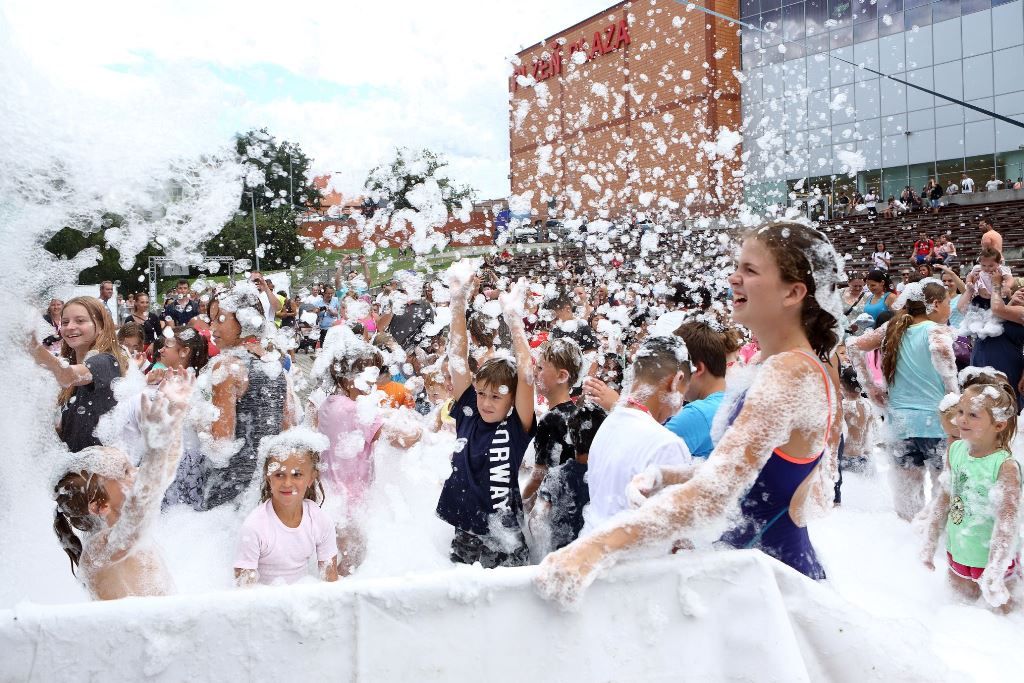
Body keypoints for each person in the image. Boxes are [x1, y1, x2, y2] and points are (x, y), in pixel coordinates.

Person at [535, 223, 842, 605]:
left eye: (750, 270)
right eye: (737, 267)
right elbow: (748, 474)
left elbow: (716, 495)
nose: (733, 278)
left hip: (774, 584)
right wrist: (668, 475)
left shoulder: (789, 372)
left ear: (793, 292)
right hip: (754, 573)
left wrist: (596, 547)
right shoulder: (777, 366)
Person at [52, 370, 194, 600]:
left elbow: (165, 469)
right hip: (133, 624)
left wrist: (175, 415)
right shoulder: (98, 552)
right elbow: (137, 513)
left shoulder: (131, 525)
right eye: (125, 472)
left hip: (162, 617)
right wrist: (154, 451)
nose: (137, 472)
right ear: (100, 506)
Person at [436, 271, 536, 569]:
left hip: (504, 533)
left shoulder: (516, 426)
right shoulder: (468, 411)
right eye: (481, 393)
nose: (486, 403)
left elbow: (526, 375)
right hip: (466, 529)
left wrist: (514, 321)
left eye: (496, 397)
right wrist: (458, 304)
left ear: (511, 400)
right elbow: (457, 358)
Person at [313, 328, 422, 575]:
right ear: (347, 377)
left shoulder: (330, 403)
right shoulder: (355, 410)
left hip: (331, 494)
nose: (374, 380)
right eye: (369, 373)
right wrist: (421, 432)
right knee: (353, 561)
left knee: (336, 557)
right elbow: (401, 440)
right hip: (352, 501)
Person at [850, 280, 957, 522]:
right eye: (948, 303)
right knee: (943, 493)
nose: (949, 309)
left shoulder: (893, 327)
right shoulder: (935, 330)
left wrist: (870, 387)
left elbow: (853, 346)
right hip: (936, 423)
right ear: (935, 304)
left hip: (900, 425)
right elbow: (943, 356)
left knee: (907, 501)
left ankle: (909, 539)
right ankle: (933, 540)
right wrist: (954, 399)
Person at [921, 382, 1021, 609]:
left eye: (972, 414)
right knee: (957, 609)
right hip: (958, 551)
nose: (961, 419)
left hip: (993, 562)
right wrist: (930, 540)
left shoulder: (1005, 466)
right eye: (960, 411)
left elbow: (1007, 523)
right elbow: (944, 498)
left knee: (1000, 615)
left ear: (998, 425)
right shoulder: (956, 450)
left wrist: (995, 570)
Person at [584, 335, 694, 529]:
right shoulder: (666, 445)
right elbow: (672, 533)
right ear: (676, 381)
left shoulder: (610, 422)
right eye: (683, 395)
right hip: (634, 549)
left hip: (593, 541)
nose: (680, 407)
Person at [203, 283, 296, 509]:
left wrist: (193, 418)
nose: (213, 328)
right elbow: (288, 426)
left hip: (231, 486)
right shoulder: (274, 363)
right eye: (211, 320)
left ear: (245, 320)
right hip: (266, 484)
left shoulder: (227, 367)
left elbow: (220, 444)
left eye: (220, 319)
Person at [234, 427, 339, 586]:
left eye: (297, 475)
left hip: (302, 596)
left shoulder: (319, 520)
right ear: (268, 478)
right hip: (264, 599)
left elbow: (331, 582)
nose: (287, 483)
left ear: (311, 478)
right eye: (279, 475)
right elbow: (243, 590)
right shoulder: (255, 527)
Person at [34, 297, 128, 453]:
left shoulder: (107, 361)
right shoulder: (70, 370)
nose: (70, 327)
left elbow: (67, 376)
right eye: (65, 322)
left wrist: (33, 346)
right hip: (75, 464)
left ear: (101, 327)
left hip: (97, 466)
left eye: (80, 321)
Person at [529, 402, 607, 555]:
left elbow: (536, 521)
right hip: (595, 554)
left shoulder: (557, 476)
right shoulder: (607, 476)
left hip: (561, 555)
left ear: (570, 437)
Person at [522, 337, 584, 503]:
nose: (534, 371)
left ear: (562, 376)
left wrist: (521, 504)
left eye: (540, 367)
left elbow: (538, 477)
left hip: (555, 503)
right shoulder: (576, 414)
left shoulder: (550, 419)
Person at [664, 321, 731, 458]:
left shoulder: (698, 414)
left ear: (698, 368)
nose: (673, 381)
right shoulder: (734, 402)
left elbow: (643, 456)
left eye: (676, 371)